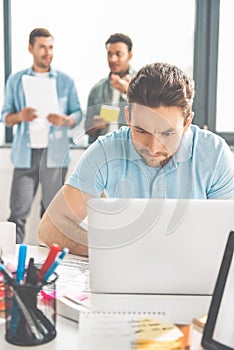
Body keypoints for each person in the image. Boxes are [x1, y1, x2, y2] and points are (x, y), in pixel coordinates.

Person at [37, 62, 234, 256]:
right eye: (141, 130)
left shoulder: (214, 154)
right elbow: (49, 228)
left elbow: (228, 235)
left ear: (187, 122)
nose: (153, 148)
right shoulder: (105, 150)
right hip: (121, 274)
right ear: (129, 117)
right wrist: (112, 250)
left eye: (167, 133)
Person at [1, 28, 83, 243]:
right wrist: (20, 116)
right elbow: (5, 117)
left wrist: (65, 120)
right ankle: (11, 267)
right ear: (31, 48)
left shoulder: (65, 81)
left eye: (50, 47)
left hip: (54, 156)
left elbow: (78, 113)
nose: (47, 52)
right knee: (17, 214)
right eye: (42, 47)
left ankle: (48, 269)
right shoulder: (16, 80)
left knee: (51, 216)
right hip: (25, 156)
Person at [84, 33, 136, 144]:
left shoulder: (142, 84)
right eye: (110, 54)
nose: (113, 59)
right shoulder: (97, 90)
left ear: (130, 55)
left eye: (119, 54)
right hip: (104, 151)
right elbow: (87, 129)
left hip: (131, 150)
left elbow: (150, 120)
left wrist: (128, 91)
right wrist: (94, 126)